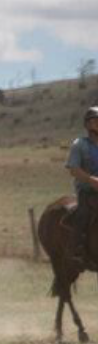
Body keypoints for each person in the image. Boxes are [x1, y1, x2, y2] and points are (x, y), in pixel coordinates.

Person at [66, 107, 98, 264]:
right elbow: (73, 169)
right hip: (86, 190)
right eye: (95, 120)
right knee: (83, 213)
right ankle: (77, 250)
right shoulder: (79, 144)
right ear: (88, 125)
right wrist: (92, 181)